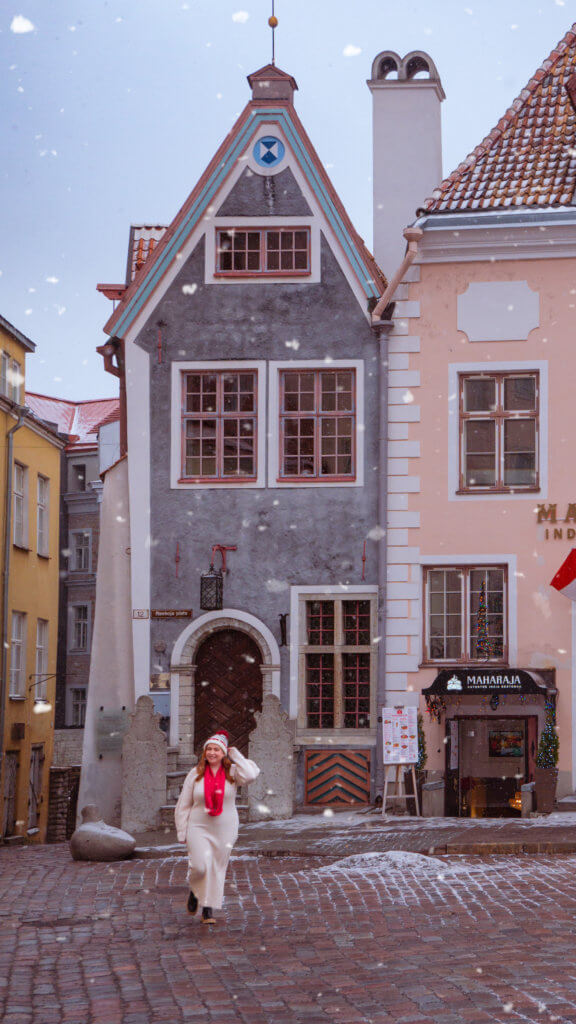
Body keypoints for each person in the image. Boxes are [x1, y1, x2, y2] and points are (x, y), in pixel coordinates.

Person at [174, 729, 260, 924]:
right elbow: (183, 804)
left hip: (225, 828)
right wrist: (182, 830)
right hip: (198, 826)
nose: (212, 753)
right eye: (209, 749)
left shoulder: (232, 772)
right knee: (200, 867)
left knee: (216, 869)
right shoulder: (195, 774)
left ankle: (207, 909)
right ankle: (195, 892)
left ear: (223, 753)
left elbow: (251, 774)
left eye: (217, 750)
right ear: (204, 752)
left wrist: (235, 754)